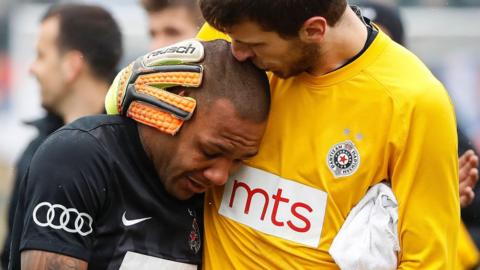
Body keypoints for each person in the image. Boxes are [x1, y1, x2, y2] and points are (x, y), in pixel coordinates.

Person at [197, 0, 459, 268]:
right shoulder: (233, 31)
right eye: (232, 39)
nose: (236, 53)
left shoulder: (414, 101)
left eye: (255, 45)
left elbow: (428, 261)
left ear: (313, 30)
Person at [8, 39, 270, 270]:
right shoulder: (80, 157)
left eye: (238, 160)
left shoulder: (207, 192)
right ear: (173, 106)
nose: (220, 176)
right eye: (210, 151)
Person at [1, 4, 122, 268]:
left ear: (72, 66)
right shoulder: (34, 152)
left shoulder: (133, 148)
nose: (32, 68)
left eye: (41, 56)